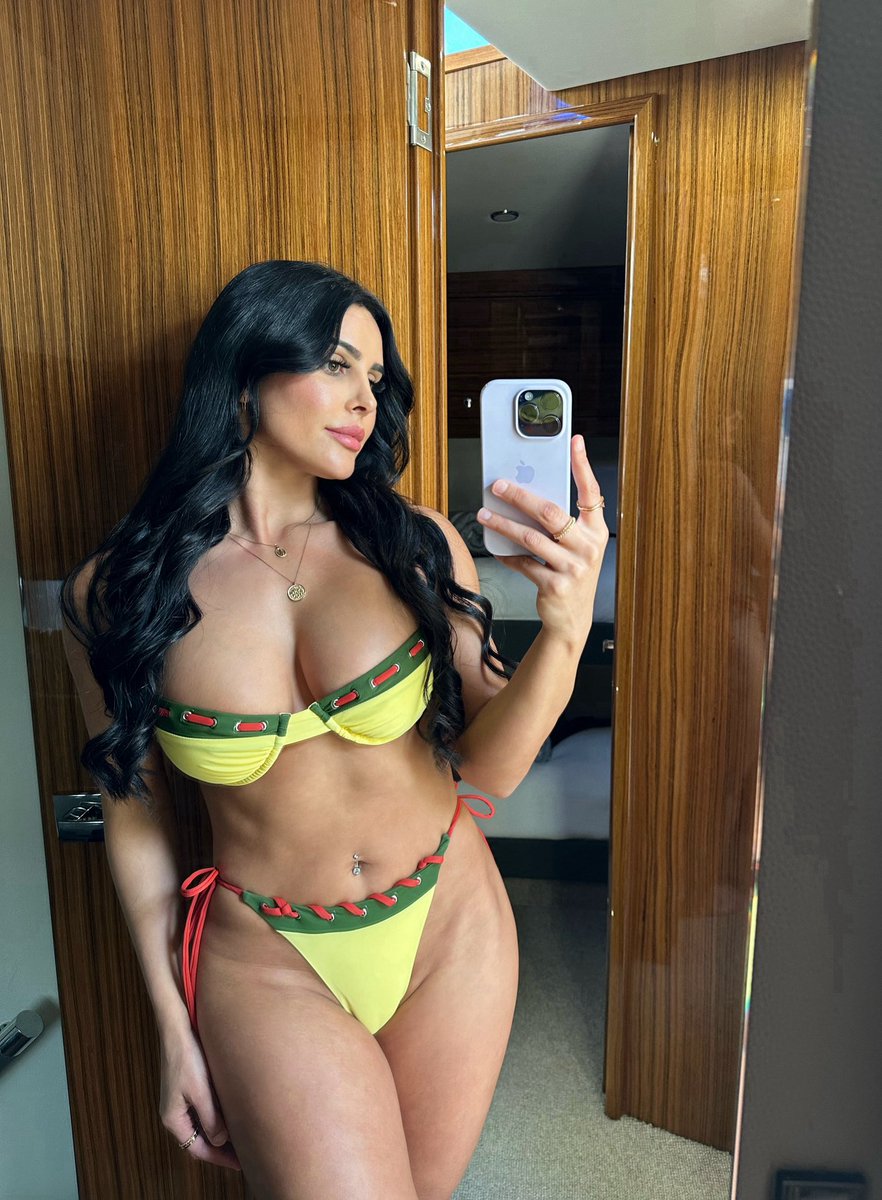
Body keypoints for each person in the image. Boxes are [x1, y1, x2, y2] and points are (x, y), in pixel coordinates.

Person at [62, 260, 608, 1199]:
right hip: (269, 957)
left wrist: (564, 630)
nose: (365, 398)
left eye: (376, 376)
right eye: (336, 363)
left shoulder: (414, 544)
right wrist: (171, 1026)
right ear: (246, 371)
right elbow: (133, 814)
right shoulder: (116, 593)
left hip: (449, 922)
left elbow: (491, 770)